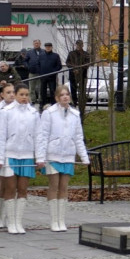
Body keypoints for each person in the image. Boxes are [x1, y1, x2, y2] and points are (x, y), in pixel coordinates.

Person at [35, 85, 89, 231]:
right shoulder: (49, 113)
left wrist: (84, 157)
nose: (65, 97)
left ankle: (61, 220)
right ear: (57, 98)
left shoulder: (75, 114)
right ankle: (54, 220)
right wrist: (40, 156)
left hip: (68, 155)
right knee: (54, 185)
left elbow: (78, 137)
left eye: (67, 94)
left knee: (64, 187)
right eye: (62, 95)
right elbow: (43, 135)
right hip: (53, 154)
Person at [0, 84, 38, 234]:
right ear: (16, 95)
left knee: (23, 189)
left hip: (26, 154)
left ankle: (18, 221)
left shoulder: (33, 113)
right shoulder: (6, 112)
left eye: (26, 95)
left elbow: (38, 136)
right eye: (21, 94)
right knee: (10, 188)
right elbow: (1, 136)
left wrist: (38, 156)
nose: (24, 97)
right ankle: (10, 222)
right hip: (10, 154)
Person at [0, 83, 17, 226]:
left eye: (13, 92)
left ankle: (10, 215)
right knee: (5, 184)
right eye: (8, 92)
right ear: (2, 94)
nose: (11, 95)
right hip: (2, 151)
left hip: (16, 150)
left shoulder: (18, 108)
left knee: (13, 184)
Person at [65, 40, 90, 106]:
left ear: (82, 45)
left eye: (80, 45)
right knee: (73, 89)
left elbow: (87, 64)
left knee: (82, 90)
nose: (79, 46)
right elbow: (68, 62)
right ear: (76, 45)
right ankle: (74, 102)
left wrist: (79, 70)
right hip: (73, 74)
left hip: (82, 74)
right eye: (77, 45)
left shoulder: (86, 54)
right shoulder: (71, 53)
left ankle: (81, 103)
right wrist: (74, 69)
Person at [25, 39, 44, 106]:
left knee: (40, 87)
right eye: (35, 43)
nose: (36, 44)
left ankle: (40, 99)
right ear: (33, 44)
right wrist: (28, 67)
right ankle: (33, 100)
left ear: (40, 44)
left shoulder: (43, 52)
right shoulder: (29, 52)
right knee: (31, 88)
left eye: (37, 43)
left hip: (41, 72)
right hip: (32, 72)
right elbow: (25, 61)